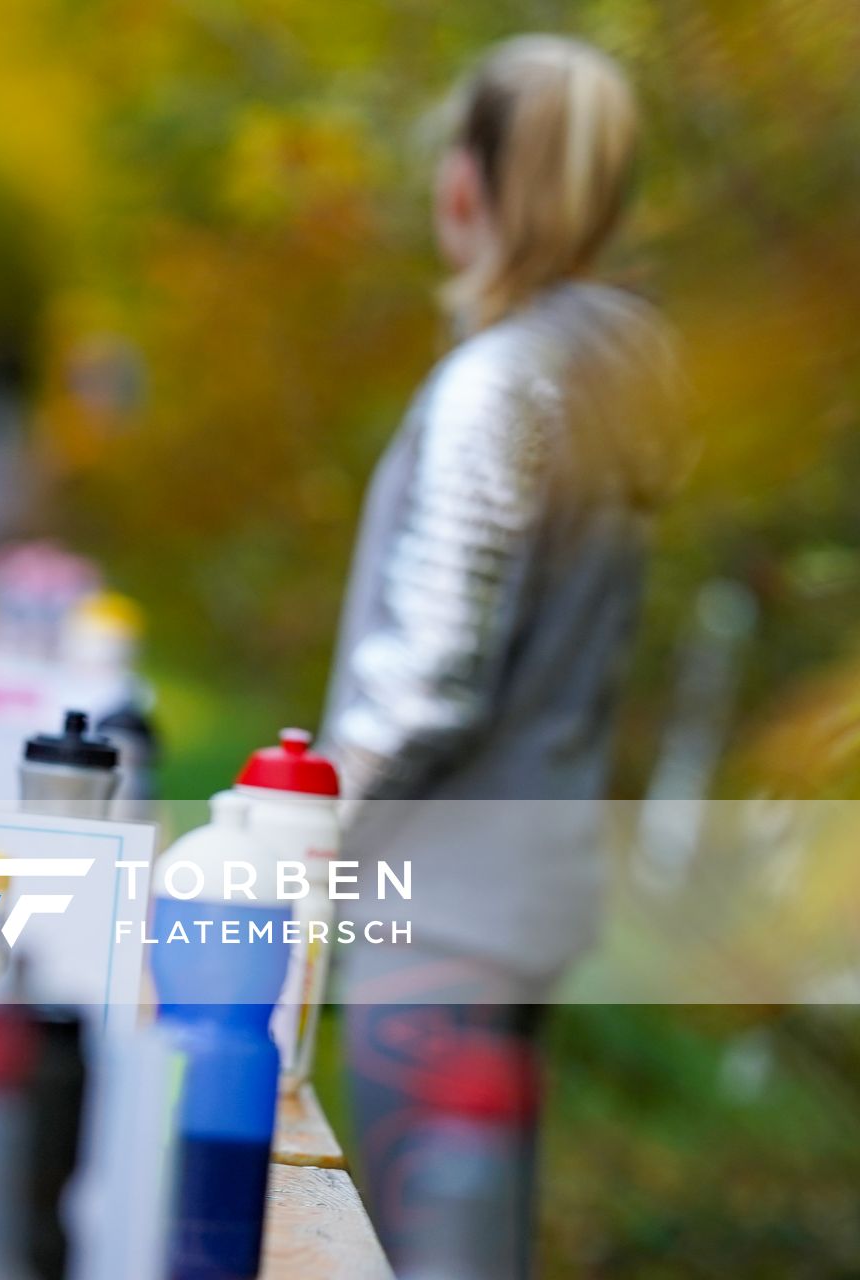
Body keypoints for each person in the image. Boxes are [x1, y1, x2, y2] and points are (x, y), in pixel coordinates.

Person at [319, 35, 683, 1279]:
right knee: (476, 1243)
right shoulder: (621, 374)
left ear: (469, 186)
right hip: (533, 893)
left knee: (435, 1252)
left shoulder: (501, 381)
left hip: (443, 898)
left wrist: (303, 830)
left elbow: (430, 672)